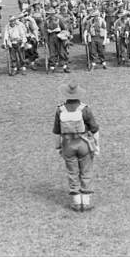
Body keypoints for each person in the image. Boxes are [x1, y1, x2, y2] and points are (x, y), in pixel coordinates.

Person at [53, 80, 100, 211]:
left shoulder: (60, 109)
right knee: (86, 171)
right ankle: (85, 202)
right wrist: (97, 145)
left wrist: (58, 147)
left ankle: (75, 201)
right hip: (83, 143)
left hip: (68, 145)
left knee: (72, 172)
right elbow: (95, 129)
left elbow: (56, 132)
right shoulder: (85, 109)